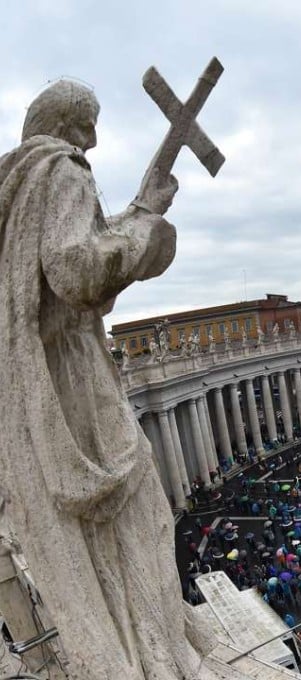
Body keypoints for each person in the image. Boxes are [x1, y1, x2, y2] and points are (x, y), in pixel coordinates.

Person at [0, 80, 200, 679]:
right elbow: (74, 268)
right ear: (65, 125)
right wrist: (145, 232)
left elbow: (63, 249)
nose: (94, 140)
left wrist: (140, 208)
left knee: (102, 532)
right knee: (143, 516)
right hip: (74, 378)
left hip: (37, 384)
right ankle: (152, 656)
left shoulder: (14, 187)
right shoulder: (61, 169)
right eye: (88, 125)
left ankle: (133, 646)